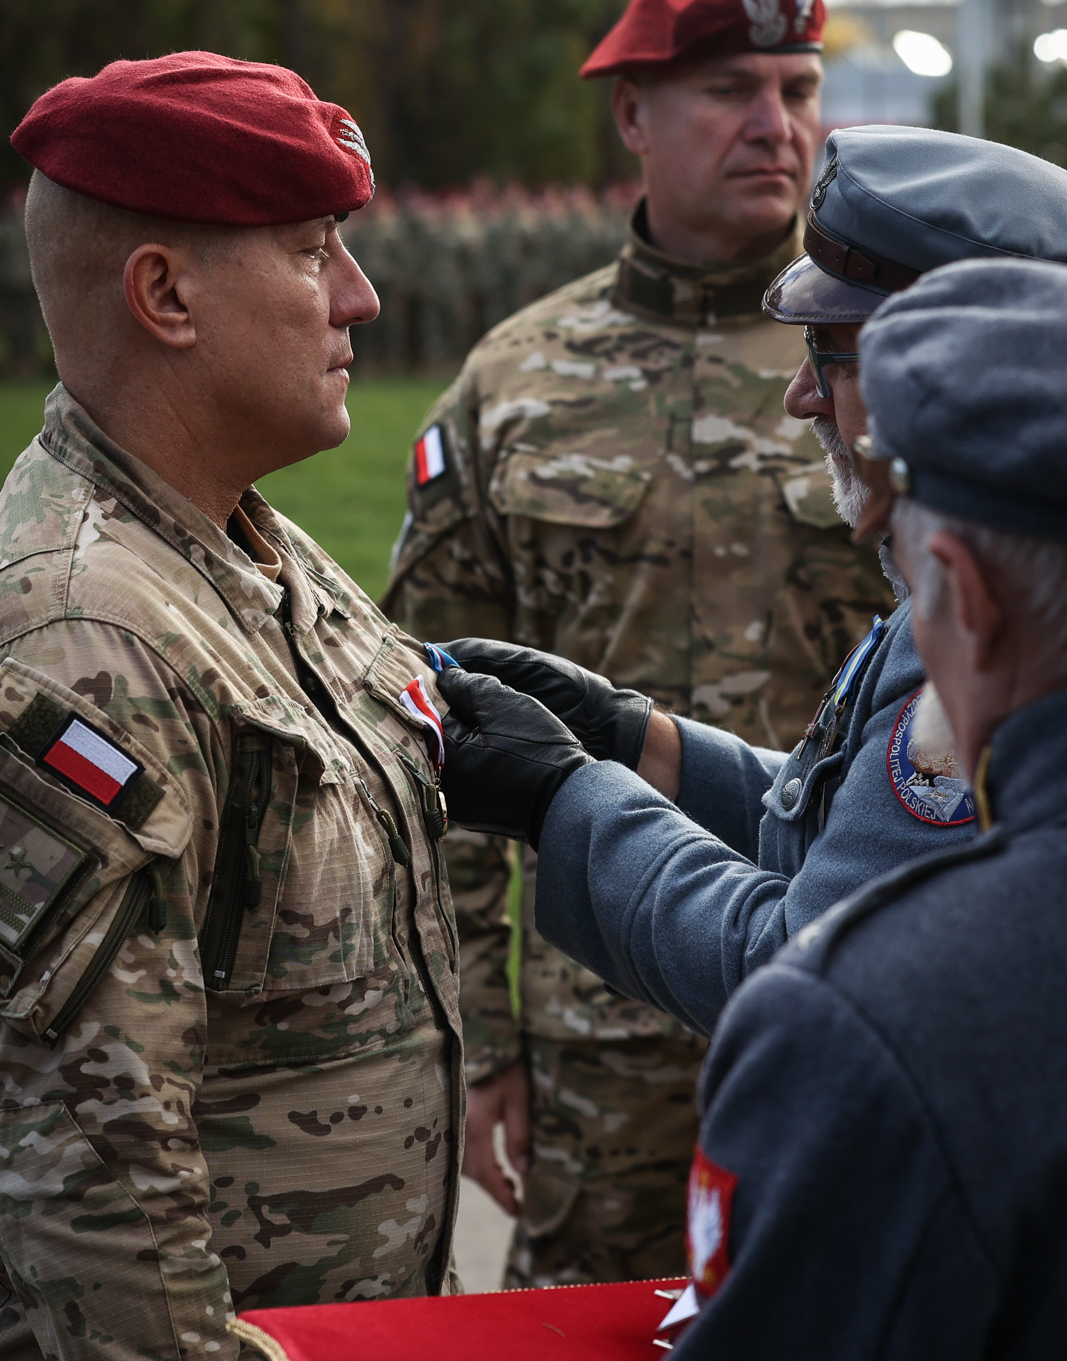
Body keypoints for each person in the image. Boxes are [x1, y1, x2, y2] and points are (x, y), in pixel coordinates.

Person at [381, 0, 894, 1287]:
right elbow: (419, 722)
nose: (772, 125)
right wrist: (480, 1040)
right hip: (597, 1028)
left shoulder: (889, 366)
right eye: (726, 90)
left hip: (846, 999)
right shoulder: (513, 383)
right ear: (630, 116)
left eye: (795, 88)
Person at [0, 53, 461, 1361]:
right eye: (314, 252)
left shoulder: (247, 544)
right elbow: (98, 1194)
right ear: (164, 295)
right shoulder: (82, 640)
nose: (360, 297)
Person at [431, 124, 1067, 1045]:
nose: (801, 396)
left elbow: (800, 967)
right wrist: (636, 742)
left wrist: (562, 797)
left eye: (830, 352)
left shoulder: (990, 618)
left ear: (954, 368)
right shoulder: (1010, 562)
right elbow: (854, 829)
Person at [667, 259, 1067, 1355]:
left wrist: (568, 796)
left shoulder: (866, 1021)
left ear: (967, 600)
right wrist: (644, 749)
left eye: (909, 581)